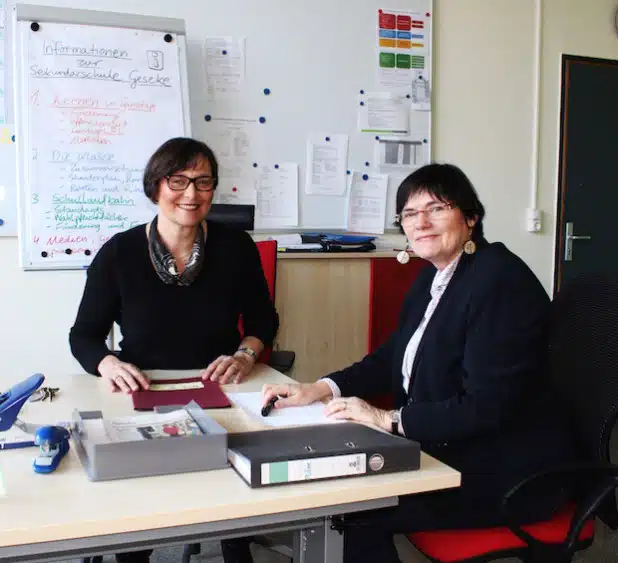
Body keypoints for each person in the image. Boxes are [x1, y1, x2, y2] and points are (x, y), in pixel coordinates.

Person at [246, 163, 575, 563]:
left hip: (507, 471)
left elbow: (487, 407)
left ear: (470, 217)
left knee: (353, 509)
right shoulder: (434, 276)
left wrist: (389, 420)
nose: (421, 222)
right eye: (409, 213)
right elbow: (391, 357)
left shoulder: (500, 281)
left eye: (436, 208)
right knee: (339, 488)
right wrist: (319, 388)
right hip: (451, 447)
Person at [69, 137, 278, 563]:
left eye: (203, 182)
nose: (191, 194)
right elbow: (83, 336)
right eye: (178, 180)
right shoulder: (119, 252)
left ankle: (237, 545)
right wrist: (108, 363)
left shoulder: (236, 247)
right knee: (140, 510)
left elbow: (263, 321)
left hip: (218, 387)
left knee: (236, 500)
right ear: (155, 187)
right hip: (144, 390)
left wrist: (244, 354)